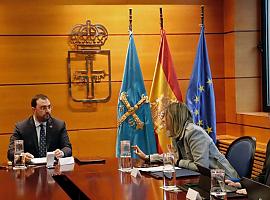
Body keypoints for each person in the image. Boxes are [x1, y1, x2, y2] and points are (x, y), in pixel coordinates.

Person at [133, 102, 239, 179]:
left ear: (175, 118)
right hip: (201, 179)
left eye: (166, 117)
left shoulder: (194, 133)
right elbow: (173, 158)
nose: (164, 120)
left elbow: (201, 167)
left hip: (224, 181)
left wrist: (178, 161)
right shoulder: (177, 133)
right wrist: (147, 158)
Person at [7, 94, 72, 162]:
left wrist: (62, 153)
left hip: (53, 169)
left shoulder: (59, 125)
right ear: (33, 109)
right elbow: (11, 152)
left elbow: (67, 148)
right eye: (43, 108)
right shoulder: (21, 128)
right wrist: (22, 156)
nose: (47, 111)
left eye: (49, 107)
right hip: (30, 170)